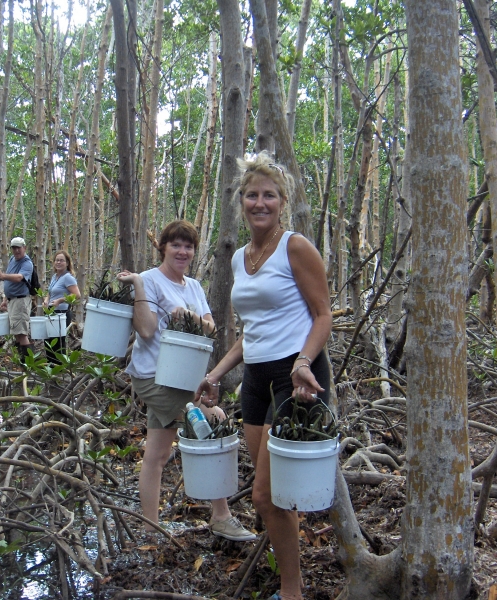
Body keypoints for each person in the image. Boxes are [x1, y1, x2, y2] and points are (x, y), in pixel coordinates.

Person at [196, 153, 332, 600]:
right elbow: (250, 333)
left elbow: (323, 316)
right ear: (241, 201)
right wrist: (215, 373)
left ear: (282, 201)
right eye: (252, 194)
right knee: (275, 494)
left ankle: (292, 591)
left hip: (297, 377)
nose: (260, 202)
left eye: (268, 195)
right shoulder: (239, 258)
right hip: (255, 379)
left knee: (263, 495)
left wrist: (303, 363)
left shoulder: (296, 247)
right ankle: (288, 578)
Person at [116, 220, 256, 542]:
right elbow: (147, 330)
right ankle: (221, 516)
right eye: (175, 245)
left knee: (157, 455)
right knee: (211, 422)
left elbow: (210, 328)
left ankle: (150, 528)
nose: (182, 251)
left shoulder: (193, 287)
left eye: (188, 246)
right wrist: (138, 283)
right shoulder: (150, 280)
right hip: (153, 377)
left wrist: (185, 314)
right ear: (163, 247)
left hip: (183, 379)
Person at [0, 237, 34, 362]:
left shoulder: (27, 263)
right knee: (17, 333)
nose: (16, 251)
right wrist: (6, 299)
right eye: (14, 248)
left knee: (22, 333)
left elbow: (19, 278)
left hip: (21, 302)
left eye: (19, 248)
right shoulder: (12, 259)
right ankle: (22, 363)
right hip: (12, 301)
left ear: (24, 248)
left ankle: (29, 366)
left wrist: (3, 276)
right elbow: (10, 283)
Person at [43, 250, 81, 362]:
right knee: (49, 340)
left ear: (67, 263)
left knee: (58, 342)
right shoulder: (55, 276)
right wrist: (46, 300)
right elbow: (50, 293)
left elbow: (77, 295)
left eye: (62, 260)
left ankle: (60, 368)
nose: (59, 262)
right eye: (57, 260)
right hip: (51, 312)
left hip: (62, 313)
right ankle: (50, 366)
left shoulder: (68, 277)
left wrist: (60, 300)